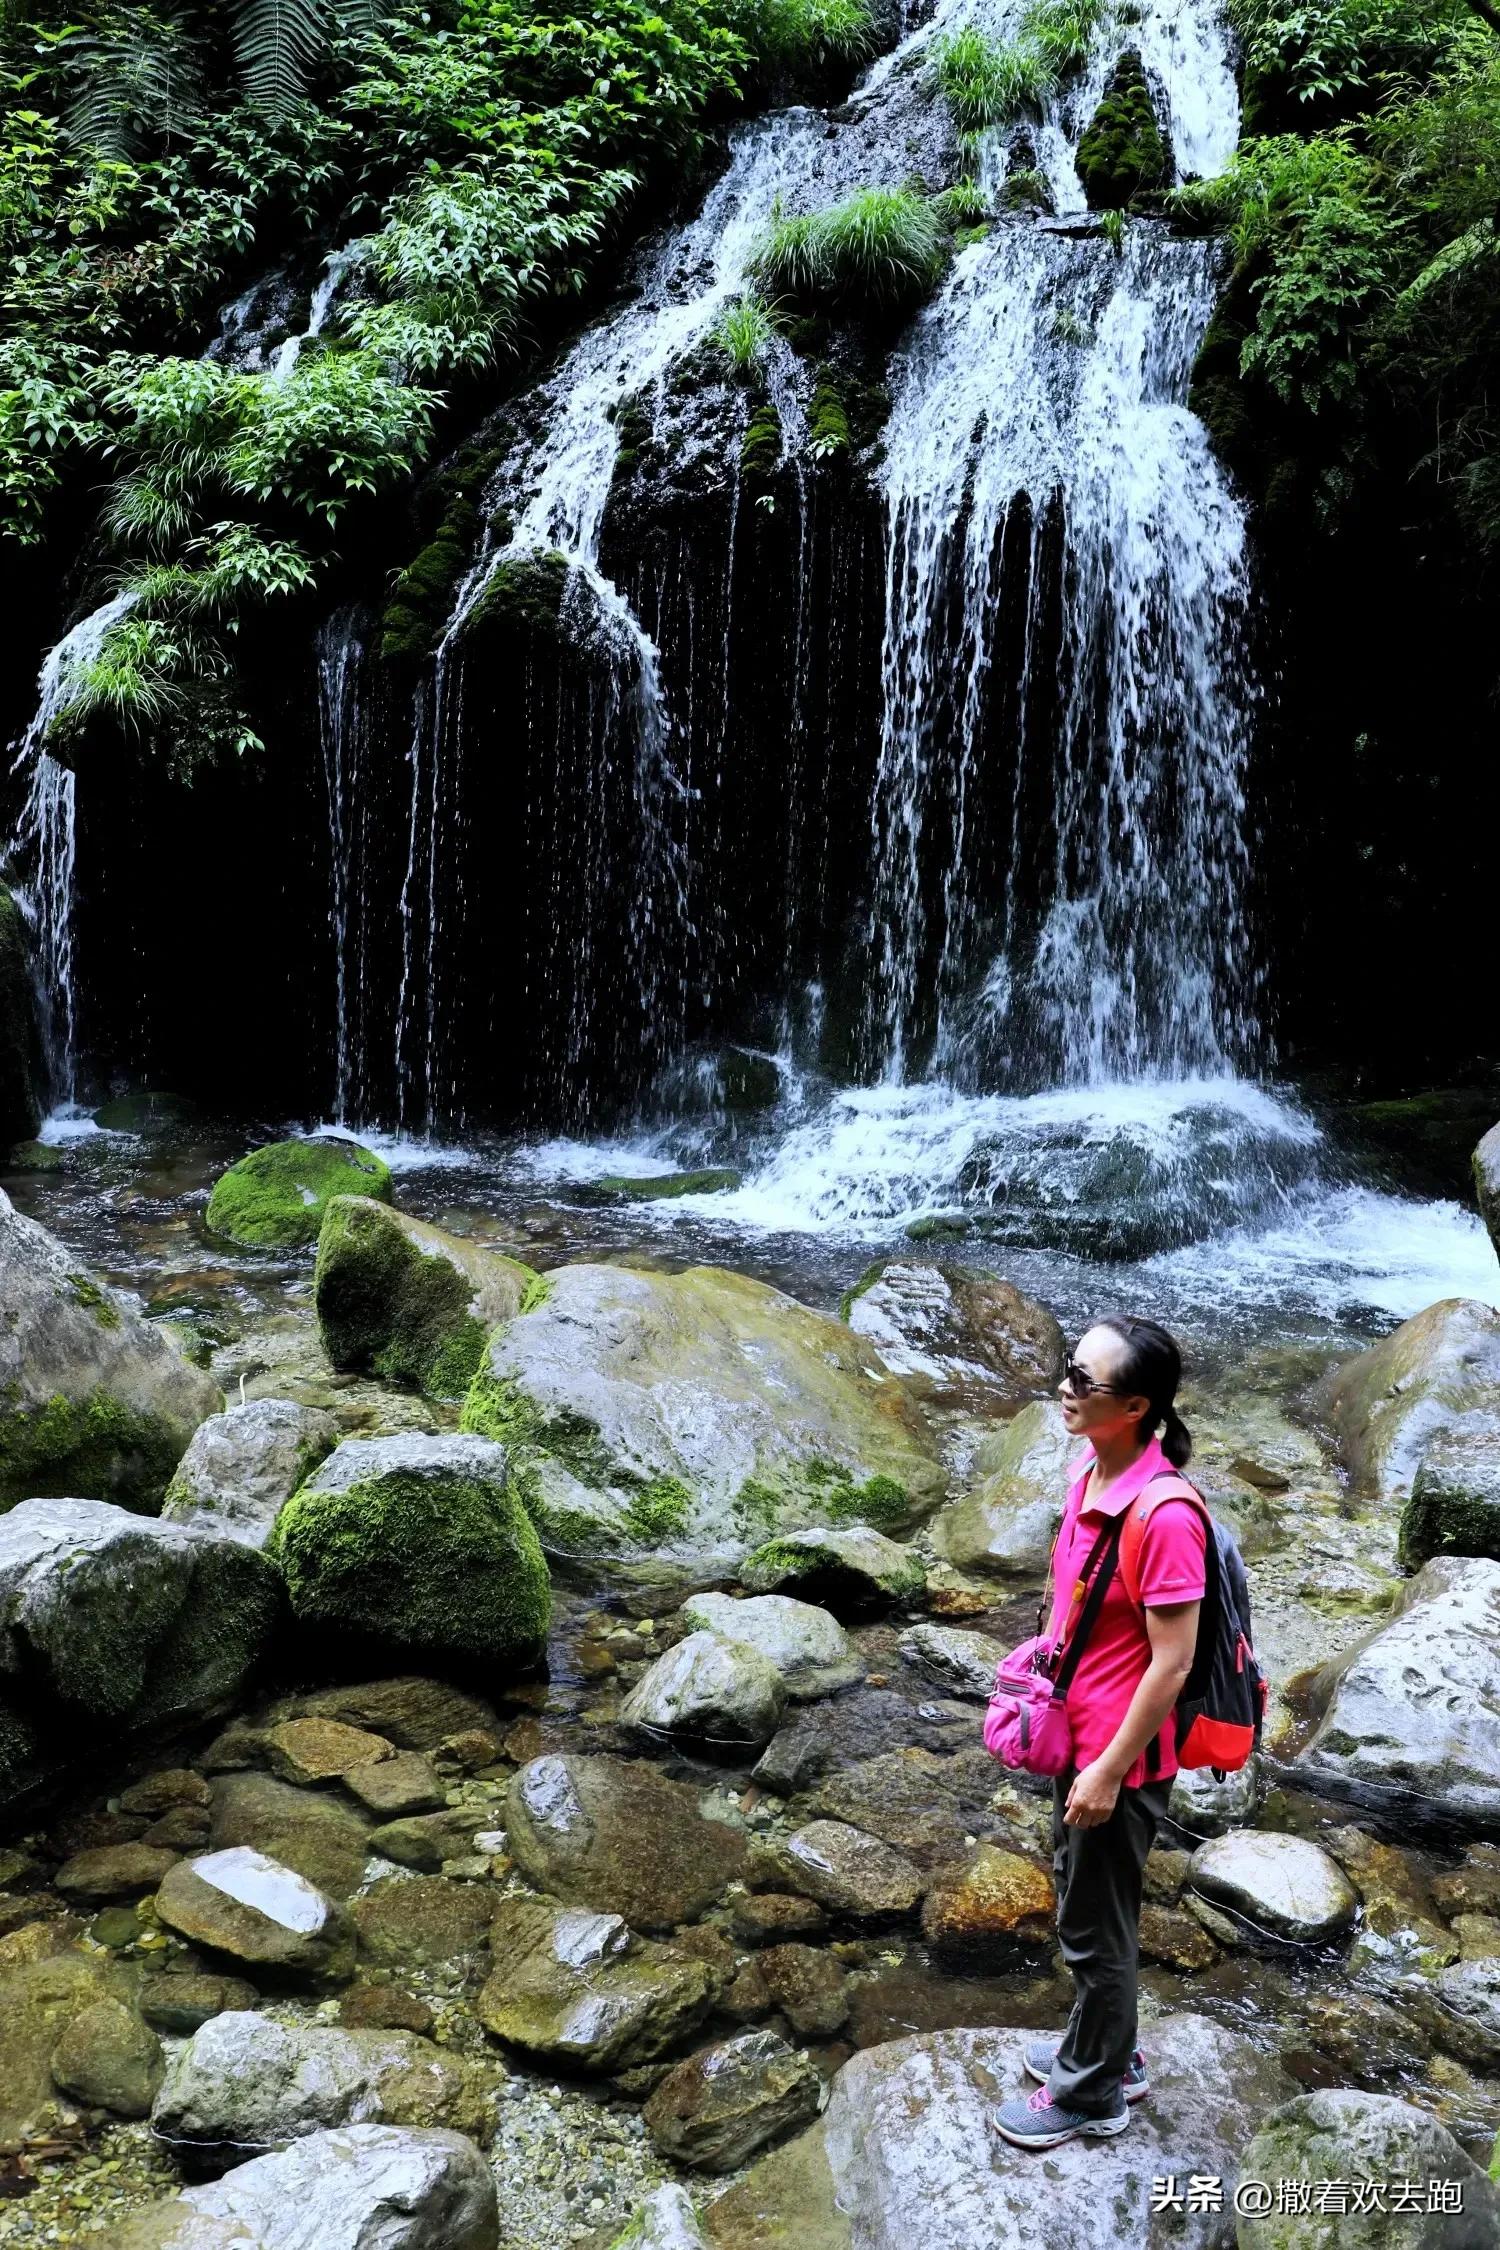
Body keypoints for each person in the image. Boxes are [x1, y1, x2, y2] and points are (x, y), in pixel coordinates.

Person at [991, 1314, 1206, 2152]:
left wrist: (1110, 1770)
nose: (1063, 1389)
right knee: (1086, 1901)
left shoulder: (1165, 1515)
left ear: (1137, 1405)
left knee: (1093, 1925)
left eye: (1084, 1381)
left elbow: (1173, 1665)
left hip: (1121, 1755)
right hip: (1079, 1739)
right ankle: (1114, 2050)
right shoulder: (1095, 1473)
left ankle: (1092, 2094)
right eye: (1066, 1369)